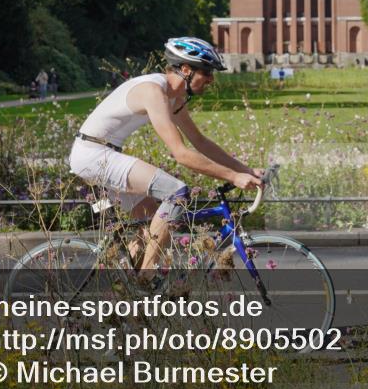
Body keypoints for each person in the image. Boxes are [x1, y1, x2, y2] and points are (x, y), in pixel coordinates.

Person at [69, 37, 262, 274]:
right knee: (177, 192)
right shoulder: (154, 92)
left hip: (103, 154)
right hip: (93, 154)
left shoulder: (174, 98)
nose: (211, 79)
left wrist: (246, 171)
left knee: (151, 229)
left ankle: (126, 291)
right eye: (207, 71)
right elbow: (180, 154)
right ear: (185, 70)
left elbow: (200, 142)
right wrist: (233, 177)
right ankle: (146, 279)